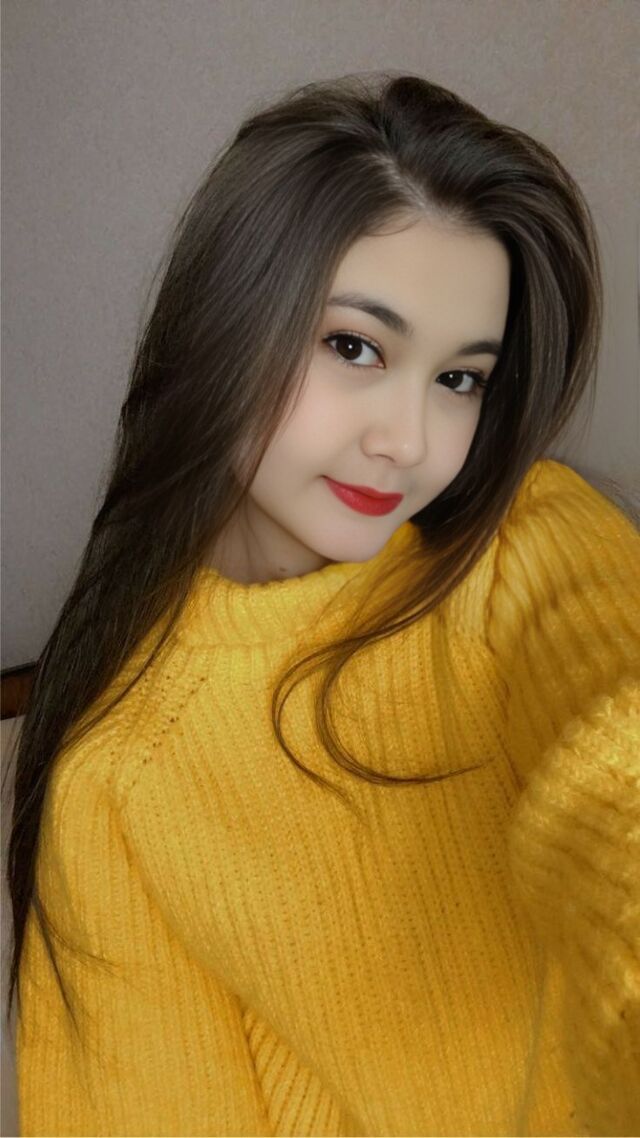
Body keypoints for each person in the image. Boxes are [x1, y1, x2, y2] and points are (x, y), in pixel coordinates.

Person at [3, 71, 639, 1137]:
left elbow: (616, 754)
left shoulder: (527, 542)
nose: (410, 441)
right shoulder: (117, 778)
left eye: (460, 378)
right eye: (355, 346)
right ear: (226, 325)